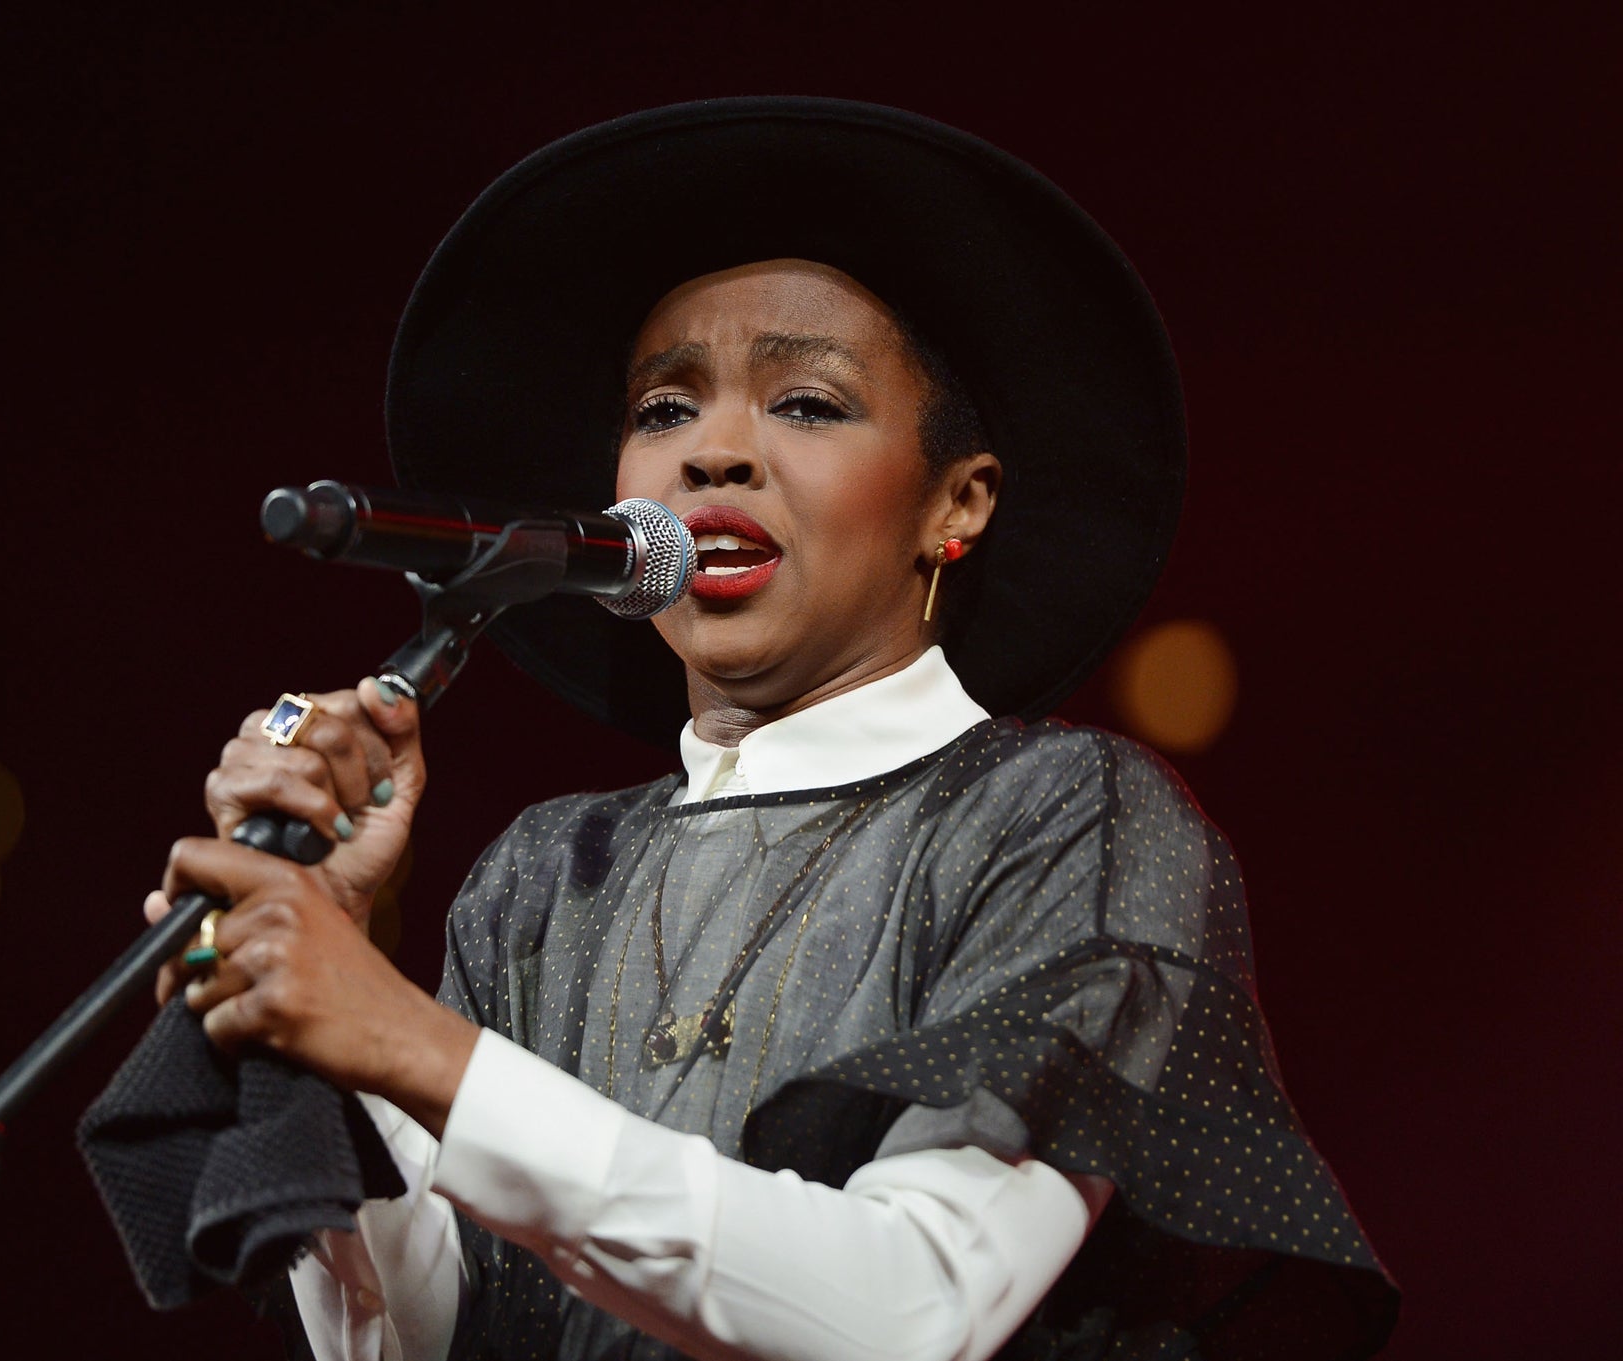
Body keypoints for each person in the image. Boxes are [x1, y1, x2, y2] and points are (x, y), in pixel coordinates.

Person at [138, 99, 1396, 1360]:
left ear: (954, 503)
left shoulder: (1067, 817)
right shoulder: (541, 877)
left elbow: (910, 1314)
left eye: (803, 402)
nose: (713, 452)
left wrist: (409, 1039)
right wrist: (322, 1002)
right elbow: (423, 1340)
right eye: (661, 409)